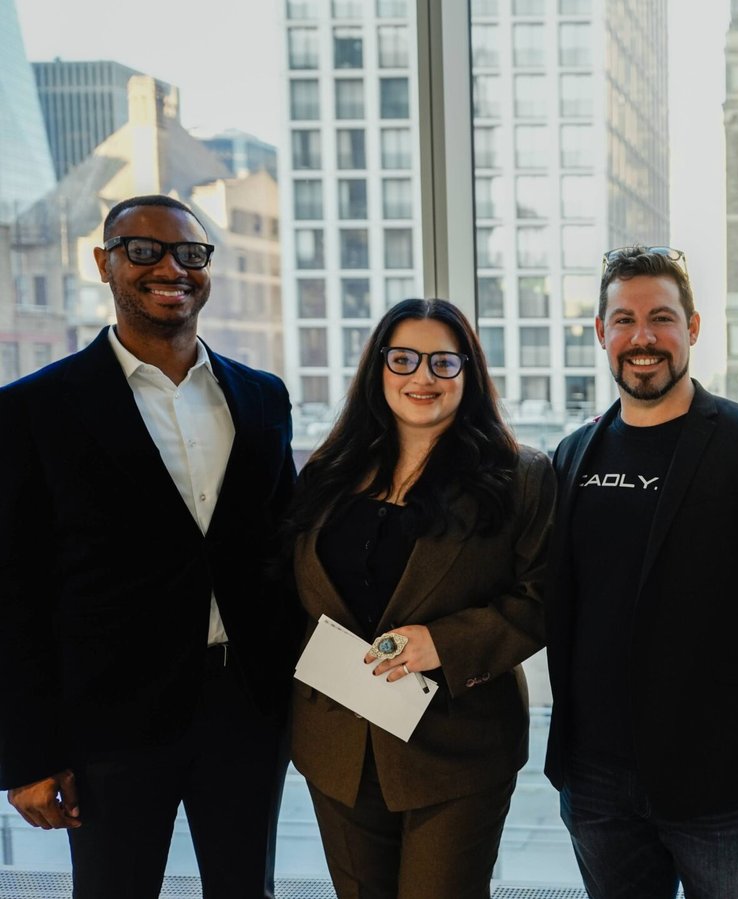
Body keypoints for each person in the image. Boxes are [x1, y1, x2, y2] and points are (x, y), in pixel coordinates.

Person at [0, 195, 297, 897]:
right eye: (144, 250)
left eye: (191, 254)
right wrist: (25, 755)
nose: (172, 268)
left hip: (246, 711)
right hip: (107, 724)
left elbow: (285, 550)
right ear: (104, 262)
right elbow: (12, 592)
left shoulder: (261, 397)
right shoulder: (32, 408)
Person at [544, 246, 738, 899]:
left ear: (693, 327)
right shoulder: (570, 455)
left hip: (723, 773)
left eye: (662, 317)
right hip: (596, 777)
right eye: (623, 319)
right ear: (601, 332)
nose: (643, 336)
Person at [284, 298, 555, 899]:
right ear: (378, 369)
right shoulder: (328, 471)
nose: (422, 377)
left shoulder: (521, 476)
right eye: (403, 359)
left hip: (455, 749)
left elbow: (543, 599)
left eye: (442, 362)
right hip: (337, 744)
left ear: (469, 372)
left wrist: (445, 642)